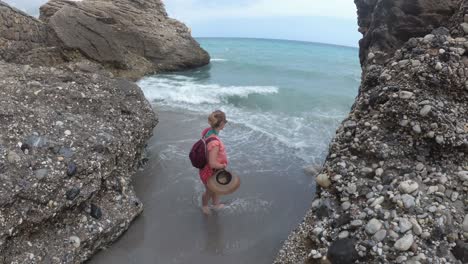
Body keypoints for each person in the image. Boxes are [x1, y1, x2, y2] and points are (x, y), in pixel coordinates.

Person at [199, 110, 228, 214]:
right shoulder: (214, 143)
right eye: (225, 121)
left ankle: (216, 204)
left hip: (207, 168)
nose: (225, 123)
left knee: (215, 188)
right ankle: (204, 206)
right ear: (221, 124)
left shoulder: (208, 131)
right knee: (209, 191)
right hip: (210, 171)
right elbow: (212, 163)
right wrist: (223, 165)